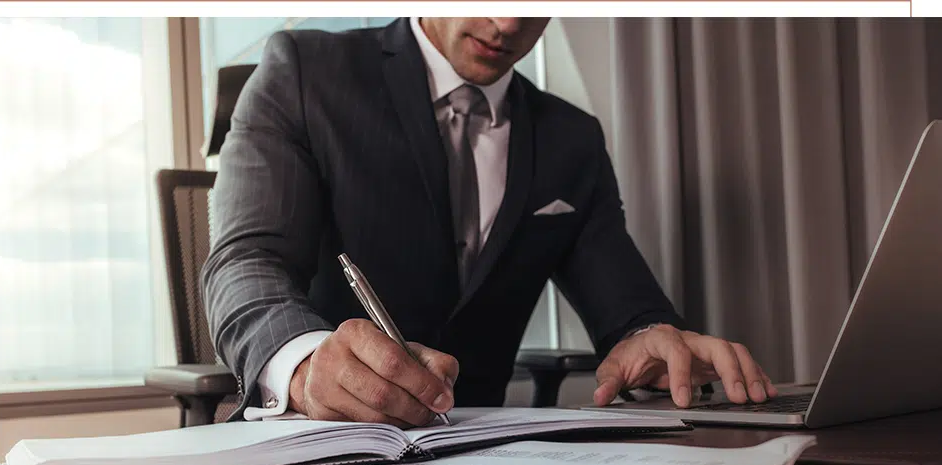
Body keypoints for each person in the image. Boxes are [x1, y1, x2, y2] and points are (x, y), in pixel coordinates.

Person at [203, 17, 778, 427]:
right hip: (318, 442)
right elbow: (245, 262)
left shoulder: (570, 139)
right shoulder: (304, 71)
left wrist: (649, 339)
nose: (507, 24)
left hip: (483, 450)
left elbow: (628, 309)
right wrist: (304, 366)